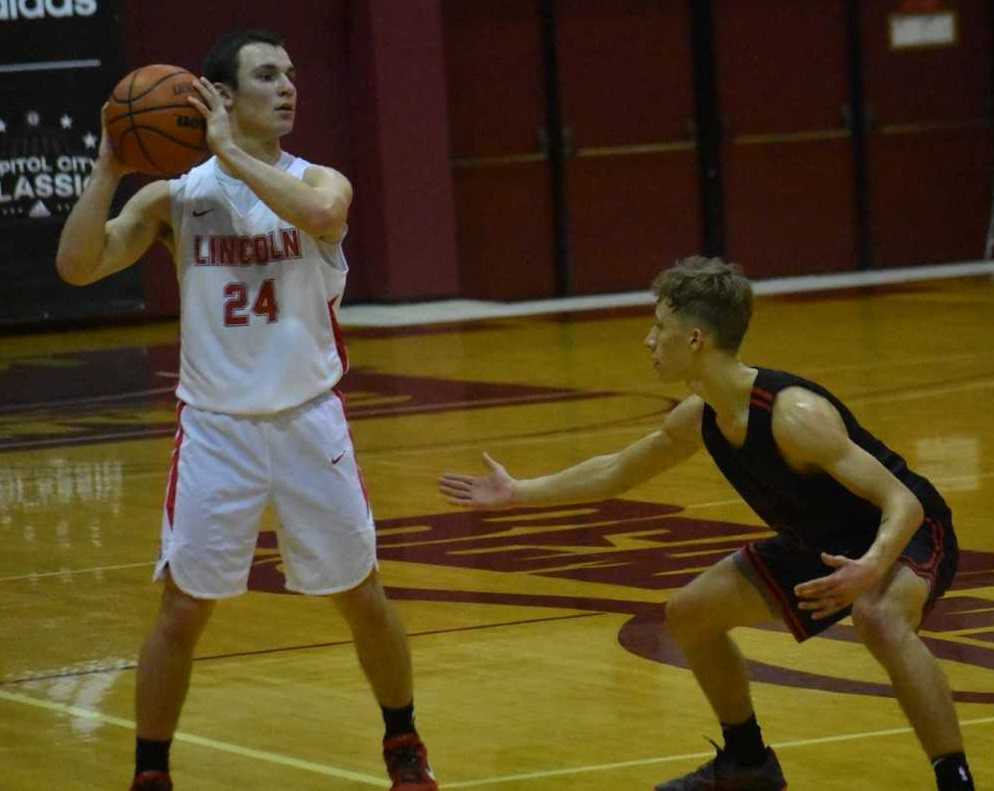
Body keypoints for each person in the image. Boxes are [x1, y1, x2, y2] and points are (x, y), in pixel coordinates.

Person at [56, 28, 438, 791]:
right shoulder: (174, 200)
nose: (289, 86)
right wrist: (109, 166)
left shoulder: (322, 181)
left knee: (360, 593)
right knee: (183, 609)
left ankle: (403, 741)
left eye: (291, 74)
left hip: (307, 419)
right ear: (221, 96)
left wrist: (229, 153)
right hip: (217, 430)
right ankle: (151, 771)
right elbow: (78, 265)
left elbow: (322, 220)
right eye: (268, 76)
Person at [439, 256, 974, 791]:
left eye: (659, 328)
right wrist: (517, 492)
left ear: (695, 339)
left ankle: (954, 779)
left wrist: (871, 566)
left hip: (909, 531)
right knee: (690, 613)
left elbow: (900, 500)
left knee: (879, 619)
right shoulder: (702, 415)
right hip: (822, 542)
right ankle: (747, 763)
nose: (649, 340)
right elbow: (620, 469)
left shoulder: (794, 416)